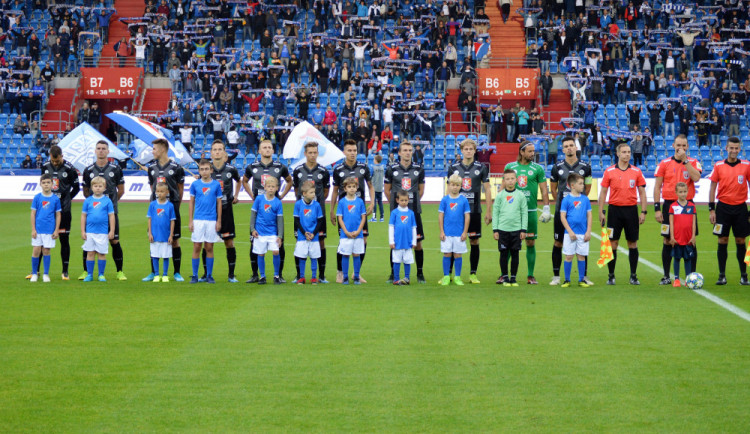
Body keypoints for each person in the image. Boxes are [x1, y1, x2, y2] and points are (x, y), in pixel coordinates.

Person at [242, 139, 293, 283]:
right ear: (259, 151)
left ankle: (279, 275)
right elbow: (245, 181)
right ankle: (255, 274)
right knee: (255, 244)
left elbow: (290, 180)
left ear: (272, 150)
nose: (267, 149)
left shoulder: (280, 167)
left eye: (269, 147)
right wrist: (252, 196)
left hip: (274, 209)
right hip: (259, 209)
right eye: (264, 147)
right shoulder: (252, 167)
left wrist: (281, 196)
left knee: (279, 243)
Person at [597, 142, 648, 285]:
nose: (627, 154)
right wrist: (601, 211)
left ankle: (633, 275)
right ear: (618, 153)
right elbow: (603, 192)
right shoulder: (609, 171)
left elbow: (642, 193)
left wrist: (643, 211)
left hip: (631, 210)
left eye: (629, 152)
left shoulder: (637, 171)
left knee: (632, 243)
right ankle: (611, 275)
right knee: (613, 243)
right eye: (624, 152)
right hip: (614, 211)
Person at [653, 135, 702, 285]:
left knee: (690, 240)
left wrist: (685, 161)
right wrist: (657, 208)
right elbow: (657, 186)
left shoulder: (693, 162)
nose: (680, 148)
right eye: (678, 145)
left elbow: (697, 178)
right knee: (667, 240)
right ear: (673, 145)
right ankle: (667, 276)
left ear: (687, 147)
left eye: (684, 145)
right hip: (669, 206)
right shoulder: (664, 163)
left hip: (688, 207)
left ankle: (691, 275)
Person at [445, 139, 492, 284]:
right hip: (456, 212)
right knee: (452, 241)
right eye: (466, 149)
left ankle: (473, 274)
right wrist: (446, 209)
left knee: (474, 240)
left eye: (471, 149)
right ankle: (449, 274)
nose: (468, 151)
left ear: (474, 150)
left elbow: (488, 189)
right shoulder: (454, 167)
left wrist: (488, 210)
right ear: (461, 150)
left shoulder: (481, 167)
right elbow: (448, 189)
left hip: (474, 210)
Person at [505, 141, 551, 284]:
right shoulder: (510, 167)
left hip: (530, 211)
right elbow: (502, 188)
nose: (533, 154)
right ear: (521, 152)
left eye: (533, 151)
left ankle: (530, 275)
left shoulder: (538, 168)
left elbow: (544, 189)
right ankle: (504, 274)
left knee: (530, 242)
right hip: (512, 212)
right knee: (509, 244)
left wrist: (546, 208)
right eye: (530, 151)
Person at [549, 136, 593, 286]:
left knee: (582, 242)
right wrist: (563, 204)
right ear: (562, 149)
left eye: (571, 145)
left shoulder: (585, 167)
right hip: (562, 212)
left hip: (579, 213)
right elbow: (553, 189)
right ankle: (556, 276)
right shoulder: (557, 167)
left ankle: (584, 276)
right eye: (566, 146)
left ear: (575, 148)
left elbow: (587, 187)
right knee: (558, 242)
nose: (569, 148)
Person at [707, 137, 750, 285]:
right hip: (723, 208)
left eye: (736, 148)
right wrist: (712, 210)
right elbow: (712, 187)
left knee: (741, 241)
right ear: (726, 148)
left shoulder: (746, 165)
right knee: (722, 240)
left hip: (740, 208)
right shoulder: (718, 166)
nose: (733, 151)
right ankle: (722, 275)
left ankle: (744, 275)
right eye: (731, 148)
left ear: (739, 149)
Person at [330, 140, 375, 283]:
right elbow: (335, 191)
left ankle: (357, 273)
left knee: (363, 240)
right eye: (349, 150)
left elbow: (371, 187)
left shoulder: (363, 168)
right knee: (343, 241)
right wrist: (332, 210)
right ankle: (340, 272)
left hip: (359, 211)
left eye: (354, 150)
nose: (352, 153)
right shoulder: (338, 169)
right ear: (344, 152)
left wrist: (372, 203)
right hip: (345, 212)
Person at [81, 141, 126, 281]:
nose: (101, 151)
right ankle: (85, 272)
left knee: (114, 240)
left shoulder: (116, 169)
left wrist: (108, 205)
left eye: (103, 149)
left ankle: (119, 271)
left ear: (108, 151)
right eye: (98, 148)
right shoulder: (88, 170)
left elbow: (121, 190)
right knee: (89, 241)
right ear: (95, 151)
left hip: (110, 213)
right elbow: (86, 191)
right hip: (93, 214)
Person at [198, 141, 241, 282]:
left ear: (224, 153)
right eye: (214, 149)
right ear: (211, 152)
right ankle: (206, 274)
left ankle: (231, 275)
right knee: (207, 243)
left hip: (226, 210)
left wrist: (236, 196)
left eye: (220, 149)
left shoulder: (230, 170)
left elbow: (239, 181)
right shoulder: (206, 170)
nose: (217, 152)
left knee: (229, 242)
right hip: (210, 213)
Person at [384, 141, 427, 283]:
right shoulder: (391, 168)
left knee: (418, 242)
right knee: (395, 242)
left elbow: (421, 191)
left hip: (414, 211)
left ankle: (419, 274)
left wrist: (409, 206)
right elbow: (386, 190)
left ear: (413, 152)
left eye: (410, 150)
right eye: (405, 150)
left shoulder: (419, 168)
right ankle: (393, 274)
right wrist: (398, 206)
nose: (408, 152)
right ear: (400, 153)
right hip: (397, 213)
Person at [144, 139, 186, 282]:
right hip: (156, 209)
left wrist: (175, 206)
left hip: (172, 207)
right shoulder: (151, 168)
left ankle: (176, 272)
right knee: (153, 239)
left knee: (174, 240)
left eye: (154, 148)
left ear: (162, 149)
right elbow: (152, 187)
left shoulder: (176, 167)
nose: (152, 151)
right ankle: (153, 272)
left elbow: (180, 190)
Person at [292, 142, 330, 283]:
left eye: (315, 152)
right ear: (305, 154)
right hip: (302, 215)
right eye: (310, 152)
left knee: (320, 243)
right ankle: (299, 275)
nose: (312, 155)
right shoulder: (298, 171)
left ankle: (320, 276)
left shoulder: (323, 171)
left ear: (317, 153)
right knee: (299, 244)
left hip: (318, 213)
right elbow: (297, 190)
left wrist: (315, 203)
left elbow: (326, 192)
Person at [40, 145, 80, 280]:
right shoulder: (45, 166)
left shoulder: (69, 168)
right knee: (41, 240)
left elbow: (76, 188)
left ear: (62, 156)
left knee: (64, 239)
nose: (55, 163)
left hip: (64, 210)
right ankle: (36, 271)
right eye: (53, 160)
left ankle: (65, 271)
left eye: (57, 161)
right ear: (50, 156)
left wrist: (67, 198)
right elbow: (43, 184)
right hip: (47, 210)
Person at [188, 159, 223, 284]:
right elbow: (191, 202)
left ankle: (209, 275)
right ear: (199, 171)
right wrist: (190, 220)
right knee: (197, 246)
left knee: (209, 247)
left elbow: (219, 203)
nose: (204, 171)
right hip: (198, 219)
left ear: (211, 170)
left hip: (211, 220)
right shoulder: (195, 185)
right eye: (202, 169)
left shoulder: (216, 185)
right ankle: (194, 275)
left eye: (206, 169)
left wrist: (219, 220)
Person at [492, 169, 528, 286]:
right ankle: (505, 277)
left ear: (516, 180)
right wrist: (495, 229)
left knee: (515, 254)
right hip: (502, 230)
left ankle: (513, 278)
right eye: (507, 179)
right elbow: (495, 213)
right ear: (504, 181)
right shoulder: (500, 196)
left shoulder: (520, 195)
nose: (510, 181)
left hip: (516, 230)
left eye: (512, 178)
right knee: (503, 254)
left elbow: (524, 213)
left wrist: (523, 229)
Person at [249, 177, 284, 284]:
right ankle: (262, 276)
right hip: (260, 232)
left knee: (276, 251)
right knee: (261, 254)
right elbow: (253, 214)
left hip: (272, 232)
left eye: (273, 187)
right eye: (268, 186)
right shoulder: (259, 199)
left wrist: (280, 235)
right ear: (265, 187)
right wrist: (252, 229)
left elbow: (280, 220)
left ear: (277, 188)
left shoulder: (278, 203)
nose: (270, 188)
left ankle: (276, 275)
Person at [560, 173, 593, 287]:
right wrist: (569, 231)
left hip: (582, 233)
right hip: (569, 234)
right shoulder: (566, 200)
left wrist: (588, 231)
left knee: (581, 256)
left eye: (583, 183)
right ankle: (567, 280)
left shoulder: (585, 199)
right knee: (569, 256)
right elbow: (562, 216)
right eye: (580, 183)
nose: (583, 185)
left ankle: (581, 280)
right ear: (572, 185)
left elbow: (589, 216)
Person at [80, 176, 115, 282]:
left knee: (102, 253)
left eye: (100, 186)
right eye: (95, 186)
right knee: (90, 253)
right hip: (90, 232)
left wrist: (112, 230)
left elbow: (111, 216)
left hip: (102, 232)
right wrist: (83, 231)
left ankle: (101, 274)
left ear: (104, 187)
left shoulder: (107, 201)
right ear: (92, 188)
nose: (98, 188)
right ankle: (89, 274)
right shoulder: (88, 201)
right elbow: (83, 216)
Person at [438, 175, 470, 286]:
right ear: (449, 185)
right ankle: (446, 276)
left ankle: (457, 277)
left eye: (457, 185)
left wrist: (465, 232)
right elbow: (441, 216)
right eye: (452, 185)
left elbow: (467, 217)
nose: (455, 187)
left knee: (458, 255)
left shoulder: (463, 200)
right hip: (447, 233)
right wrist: (442, 231)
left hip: (459, 233)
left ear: (461, 186)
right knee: (447, 254)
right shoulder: (445, 200)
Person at [29, 174, 61, 282]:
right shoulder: (37, 197)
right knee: (36, 250)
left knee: (46, 251)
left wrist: (56, 230)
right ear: (40, 184)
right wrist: (33, 229)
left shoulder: (55, 199)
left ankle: (46, 274)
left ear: (52, 184)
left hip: (49, 230)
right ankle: (34, 273)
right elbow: (33, 214)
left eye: (48, 182)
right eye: (44, 183)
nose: (46, 185)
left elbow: (58, 215)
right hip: (38, 229)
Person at [293, 181, 325, 284]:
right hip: (302, 237)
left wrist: (313, 233)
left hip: (313, 237)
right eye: (311, 192)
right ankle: (301, 277)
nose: (313, 194)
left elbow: (320, 221)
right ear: (304, 193)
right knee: (302, 256)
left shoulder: (316, 205)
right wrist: (304, 233)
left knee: (314, 257)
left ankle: (314, 277)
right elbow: (296, 220)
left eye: (314, 192)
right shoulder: (298, 204)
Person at [336, 177, 366, 284]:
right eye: (349, 187)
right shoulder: (342, 202)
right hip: (346, 235)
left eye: (354, 187)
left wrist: (358, 231)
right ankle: (345, 277)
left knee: (356, 254)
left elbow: (363, 217)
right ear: (345, 189)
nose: (352, 189)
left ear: (357, 188)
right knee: (345, 254)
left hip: (358, 234)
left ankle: (356, 276)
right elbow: (340, 218)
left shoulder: (360, 201)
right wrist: (346, 231)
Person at [669, 183, 697, 287]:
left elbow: (694, 223)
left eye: (685, 191)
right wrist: (672, 237)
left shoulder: (692, 206)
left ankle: (688, 279)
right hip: (677, 238)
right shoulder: (673, 206)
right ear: (676, 193)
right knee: (676, 258)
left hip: (688, 238)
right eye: (680, 192)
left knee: (687, 259)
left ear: (687, 192)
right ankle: (676, 279)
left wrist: (693, 236)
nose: (683, 194)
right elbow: (671, 223)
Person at [147, 182, 176, 282]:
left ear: (167, 192)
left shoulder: (170, 206)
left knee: (165, 255)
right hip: (155, 235)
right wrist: (150, 233)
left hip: (165, 235)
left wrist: (171, 235)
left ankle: (165, 274)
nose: (160, 194)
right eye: (158, 191)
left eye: (162, 191)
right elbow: (149, 219)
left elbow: (172, 221)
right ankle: (156, 274)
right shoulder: (152, 205)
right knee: (155, 255)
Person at [390, 190, 417, 285]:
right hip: (397, 242)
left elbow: (414, 227)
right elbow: (391, 227)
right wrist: (391, 241)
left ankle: (407, 278)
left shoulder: (411, 213)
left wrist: (414, 241)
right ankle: (396, 279)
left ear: (408, 200)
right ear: (397, 200)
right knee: (396, 260)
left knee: (407, 260)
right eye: (402, 200)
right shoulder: (394, 213)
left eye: (406, 200)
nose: (404, 202)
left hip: (407, 242)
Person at [370, 154, 385, 222]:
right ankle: (382, 217)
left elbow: (370, 176)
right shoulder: (382, 167)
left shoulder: (373, 168)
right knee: (380, 202)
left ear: (375, 160)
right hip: (380, 187)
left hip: (374, 187)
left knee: (374, 202)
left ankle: (374, 217)